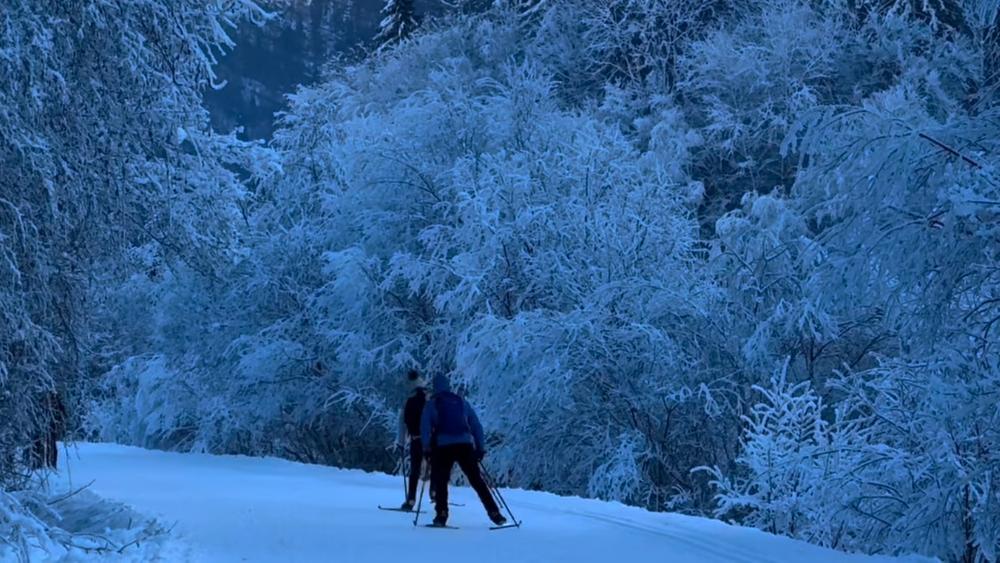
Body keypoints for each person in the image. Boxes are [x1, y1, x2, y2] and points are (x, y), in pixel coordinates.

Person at [421, 374, 506, 527]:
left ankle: (441, 515)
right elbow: (476, 425)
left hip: (443, 446)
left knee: (441, 481)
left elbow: (425, 428)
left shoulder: (432, 404)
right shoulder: (460, 402)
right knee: (477, 480)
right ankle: (495, 513)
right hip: (464, 445)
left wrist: (426, 448)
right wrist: (480, 448)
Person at [398, 369, 427, 511]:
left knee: (415, 469)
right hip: (430, 440)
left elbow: (402, 422)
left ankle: (410, 499)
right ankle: (435, 495)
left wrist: (401, 443)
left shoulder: (409, 400)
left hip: (416, 439)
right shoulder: (429, 397)